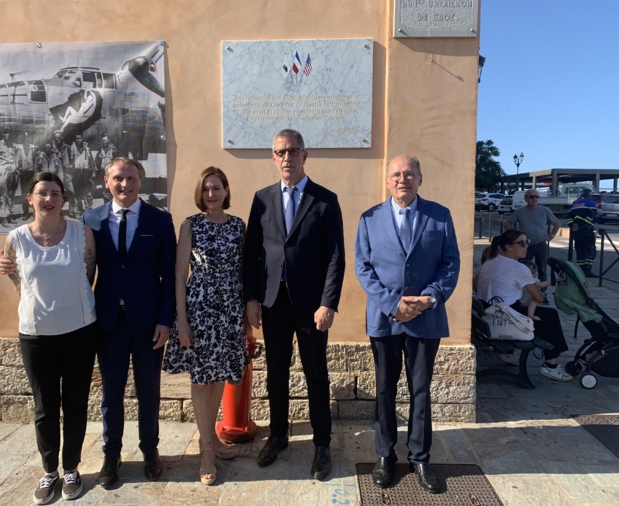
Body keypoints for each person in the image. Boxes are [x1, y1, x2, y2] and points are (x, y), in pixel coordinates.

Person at [243, 129, 345, 481]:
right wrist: (252, 298)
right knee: (276, 375)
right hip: (273, 303)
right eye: (280, 152)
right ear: (274, 158)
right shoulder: (262, 198)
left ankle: (321, 444)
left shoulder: (325, 200)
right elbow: (251, 252)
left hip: (310, 305)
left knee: (316, 374)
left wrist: (328, 303)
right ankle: (278, 435)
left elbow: (336, 256)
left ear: (305, 155)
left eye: (293, 151)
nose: (287, 157)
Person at [354, 155, 460, 493]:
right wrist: (392, 304)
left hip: (425, 317)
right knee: (384, 388)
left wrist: (429, 298)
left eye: (409, 174)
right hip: (385, 320)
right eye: (397, 174)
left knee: (421, 390)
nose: (403, 179)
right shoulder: (369, 219)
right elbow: (363, 267)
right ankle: (385, 454)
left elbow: (451, 262)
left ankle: (420, 456)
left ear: (420, 179)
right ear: (387, 181)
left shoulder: (439, 216)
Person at [0, 172, 98, 504]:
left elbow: (89, 271)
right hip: (36, 335)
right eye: (42, 193)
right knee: (45, 407)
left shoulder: (82, 234)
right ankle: (49, 471)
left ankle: (71, 468)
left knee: (75, 405)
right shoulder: (16, 238)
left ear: (64, 200)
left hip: (80, 332)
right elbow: (12, 273)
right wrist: (28, 300)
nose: (48, 199)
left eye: (55, 193)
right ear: (30, 199)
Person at [82, 157, 176, 489]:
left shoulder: (160, 220)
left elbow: (169, 276)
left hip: (149, 323)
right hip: (108, 323)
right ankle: (111, 455)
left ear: (141, 181)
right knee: (111, 393)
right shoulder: (90, 220)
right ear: (107, 181)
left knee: (148, 391)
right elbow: (83, 273)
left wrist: (166, 320)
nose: (125, 185)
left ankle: (150, 450)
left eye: (131, 178)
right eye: (118, 178)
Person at [163, 167, 248, 486]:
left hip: (228, 310)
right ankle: (208, 452)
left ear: (226, 191)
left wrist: (243, 316)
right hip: (200, 310)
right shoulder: (191, 224)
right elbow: (179, 275)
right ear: (200, 194)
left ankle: (207, 438)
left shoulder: (239, 226)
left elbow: (242, 272)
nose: (211, 194)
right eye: (206, 189)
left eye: (217, 188)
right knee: (201, 380)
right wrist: (181, 321)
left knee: (219, 378)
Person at [475, 229, 572, 382]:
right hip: (503, 320)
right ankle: (551, 365)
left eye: (527, 242)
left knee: (531, 310)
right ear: (508, 246)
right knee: (550, 316)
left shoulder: (490, 261)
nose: (526, 246)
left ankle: (509, 353)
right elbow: (539, 297)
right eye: (521, 243)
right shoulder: (519, 268)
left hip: (487, 316)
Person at [504, 189, 560, 287]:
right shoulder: (520, 211)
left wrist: (551, 236)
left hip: (540, 243)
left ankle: (543, 293)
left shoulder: (545, 210)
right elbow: (507, 223)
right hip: (524, 245)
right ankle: (521, 290)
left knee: (542, 269)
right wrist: (515, 236)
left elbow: (557, 223)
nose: (534, 199)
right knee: (522, 268)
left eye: (536, 197)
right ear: (526, 199)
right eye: (531, 197)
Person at [566, 188, 598, 278]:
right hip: (587, 230)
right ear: (590, 195)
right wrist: (583, 225)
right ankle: (587, 270)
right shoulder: (591, 203)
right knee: (590, 251)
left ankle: (580, 270)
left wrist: (572, 225)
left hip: (576, 232)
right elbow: (592, 215)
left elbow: (568, 217)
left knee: (580, 251)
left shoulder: (575, 203)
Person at [0, 129, 19, 227]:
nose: (7, 135)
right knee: (3, 196)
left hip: (12, 172)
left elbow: (18, 153)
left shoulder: (13, 145)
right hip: (2, 171)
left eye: (9, 133)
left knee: (11, 195)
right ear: (3, 134)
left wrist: (16, 164)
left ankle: (9, 216)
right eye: (5, 133)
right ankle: (3, 218)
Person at [68, 133, 97, 218]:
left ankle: (88, 208)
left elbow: (91, 160)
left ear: (82, 139)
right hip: (76, 173)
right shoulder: (71, 149)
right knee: (77, 192)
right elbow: (68, 160)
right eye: (77, 139)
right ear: (75, 140)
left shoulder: (86, 148)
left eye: (80, 138)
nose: (78, 140)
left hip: (85, 172)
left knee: (87, 191)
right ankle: (80, 209)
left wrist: (94, 171)